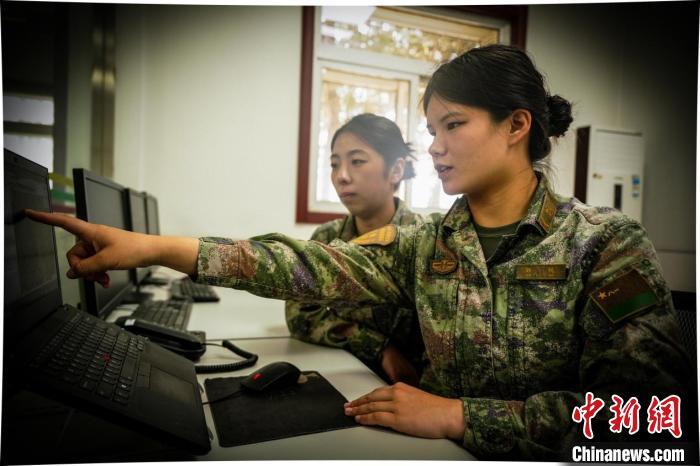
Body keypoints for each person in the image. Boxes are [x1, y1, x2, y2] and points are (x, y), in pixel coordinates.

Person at [28, 44, 692, 459]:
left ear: (518, 125)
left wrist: (460, 415)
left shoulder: (604, 242)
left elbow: (645, 423)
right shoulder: (429, 242)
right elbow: (306, 266)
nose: (434, 146)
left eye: (453, 125)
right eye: (430, 129)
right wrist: (156, 246)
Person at [285, 113, 426, 386]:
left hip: (411, 392)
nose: (341, 176)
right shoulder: (326, 237)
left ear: (396, 170)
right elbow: (299, 315)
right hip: (337, 376)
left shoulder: (424, 242)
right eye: (334, 165)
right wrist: (378, 346)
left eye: (357, 161)